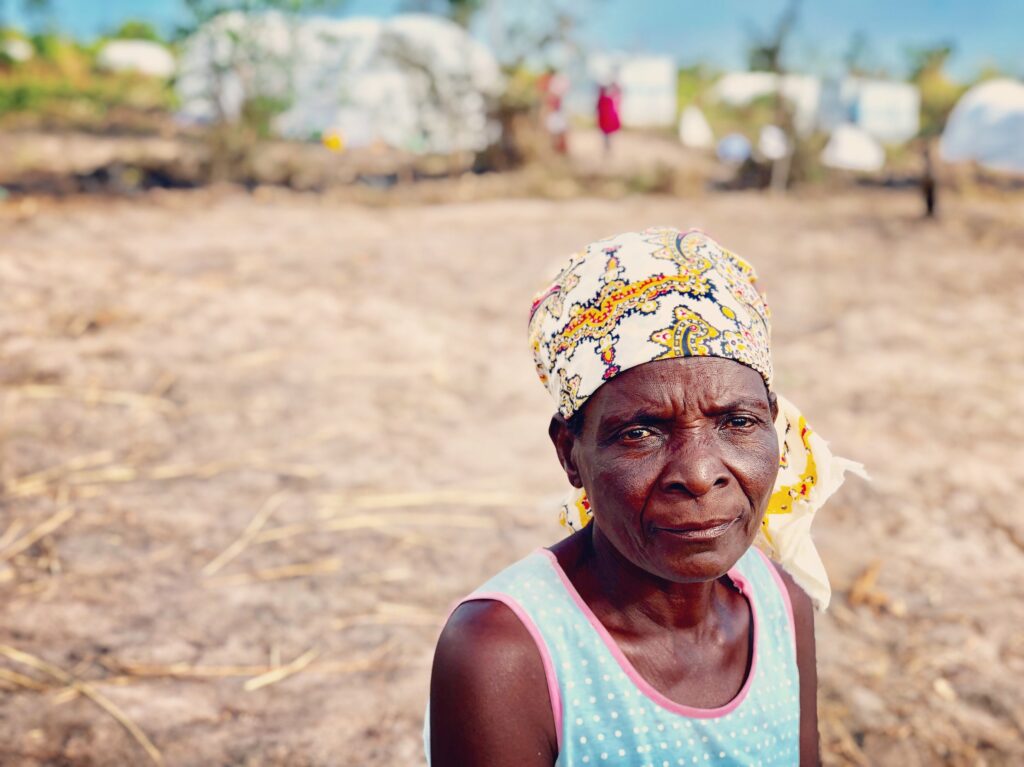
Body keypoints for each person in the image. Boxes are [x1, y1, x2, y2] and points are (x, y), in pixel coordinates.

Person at [427, 228, 864, 766]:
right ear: (569, 453)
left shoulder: (780, 607)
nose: (700, 474)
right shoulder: (504, 653)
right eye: (641, 432)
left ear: (775, 427)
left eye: (738, 422)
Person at [596, 82, 622, 155]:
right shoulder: (607, 99)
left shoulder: (604, 99)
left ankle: (607, 148)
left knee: (607, 136)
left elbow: (598, 109)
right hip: (606, 121)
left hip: (606, 121)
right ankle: (607, 148)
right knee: (607, 136)